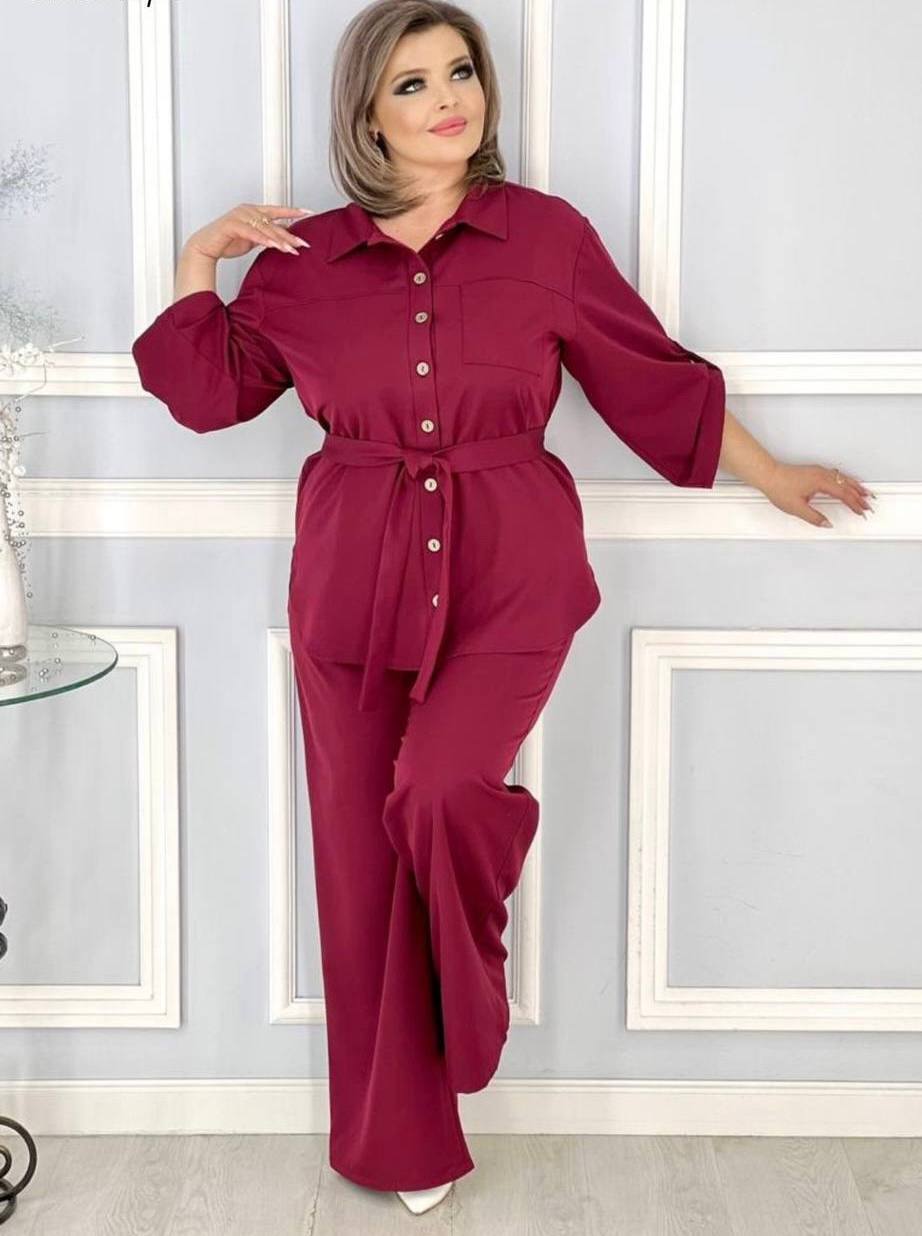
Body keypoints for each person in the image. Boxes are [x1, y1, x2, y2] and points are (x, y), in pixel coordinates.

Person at [131, 0, 873, 1216]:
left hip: (512, 571)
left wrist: (769, 472)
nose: (447, 100)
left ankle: (469, 997)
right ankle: (402, 1148)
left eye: (459, 71)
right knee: (360, 866)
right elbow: (210, 400)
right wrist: (195, 263)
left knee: (438, 792)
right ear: (367, 114)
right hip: (351, 580)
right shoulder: (299, 263)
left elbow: (649, 376)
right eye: (412, 83)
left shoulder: (546, 235)